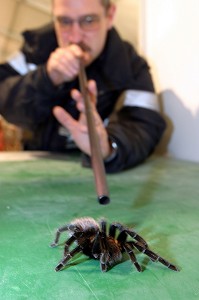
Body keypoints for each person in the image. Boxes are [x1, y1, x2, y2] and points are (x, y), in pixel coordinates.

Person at [0, 0, 166, 173]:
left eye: (88, 20)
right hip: (36, 169)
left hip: (101, 173)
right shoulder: (35, 48)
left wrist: (107, 147)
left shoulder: (132, 66)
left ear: (109, 16)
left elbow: (144, 125)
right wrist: (47, 77)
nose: (75, 38)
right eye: (64, 22)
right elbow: (4, 97)